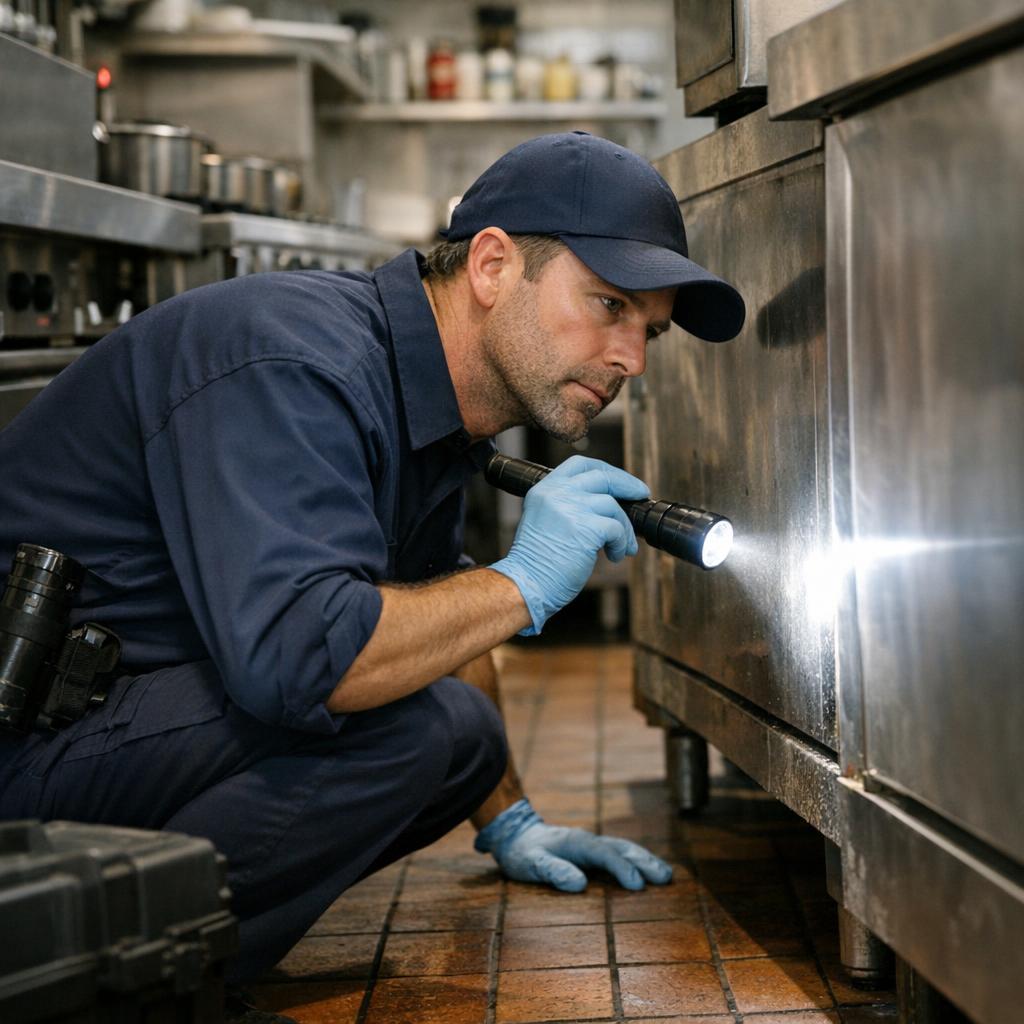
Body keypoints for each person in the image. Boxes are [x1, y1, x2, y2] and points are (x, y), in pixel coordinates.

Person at [0, 132, 744, 1010]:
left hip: (117, 719)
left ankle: (144, 943)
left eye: (648, 330)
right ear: (495, 265)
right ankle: (77, 968)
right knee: (421, 726)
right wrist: (523, 582)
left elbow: (429, 605)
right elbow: (302, 661)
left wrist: (508, 816)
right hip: (25, 757)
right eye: (610, 304)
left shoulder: (433, 401)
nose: (633, 359)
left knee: (463, 740)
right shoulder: (293, 363)